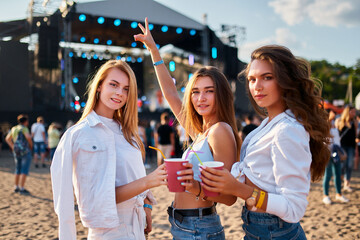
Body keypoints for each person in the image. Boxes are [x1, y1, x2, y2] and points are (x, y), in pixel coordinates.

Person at [200, 45, 331, 239]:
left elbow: (294, 208)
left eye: (267, 77)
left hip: (275, 231)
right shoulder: (269, 124)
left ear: (285, 81)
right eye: (252, 79)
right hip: (259, 227)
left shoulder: (287, 130)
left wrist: (237, 188)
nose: (257, 86)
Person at [135, 18, 241, 239]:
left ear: (220, 94)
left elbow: (230, 197)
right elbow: (171, 94)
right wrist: (154, 51)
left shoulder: (220, 131)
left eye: (208, 91)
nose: (200, 98)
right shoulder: (202, 131)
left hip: (199, 227)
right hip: (182, 223)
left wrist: (194, 187)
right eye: (195, 91)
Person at [50, 60, 168, 240]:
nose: (120, 93)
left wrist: (147, 206)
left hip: (138, 230)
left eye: (126, 89)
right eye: (113, 85)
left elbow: (133, 177)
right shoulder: (79, 135)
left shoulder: (129, 134)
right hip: (108, 233)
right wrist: (149, 181)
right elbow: (88, 199)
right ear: (98, 86)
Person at [322, 109, 349, 204]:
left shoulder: (335, 122)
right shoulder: (324, 124)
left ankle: (339, 194)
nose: (335, 114)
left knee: (338, 173)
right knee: (328, 174)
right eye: (332, 112)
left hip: (336, 152)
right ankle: (326, 195)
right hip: (327, 152)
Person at [5, 114, 33, 194]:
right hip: (25, 151)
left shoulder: (14, 128)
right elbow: (28, 138)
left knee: (18, 169)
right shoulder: (24, 128)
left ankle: (16, 187)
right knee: (24, 169)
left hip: (16, 151)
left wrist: (12, 146)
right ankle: (22, 188)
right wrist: (31, 146)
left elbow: (7, 139)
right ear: (25, 121)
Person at [336, 106, 357, 192]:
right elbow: (336, 134)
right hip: (342, 146)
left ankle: (346, 184)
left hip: (351, 146)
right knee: (343, 165)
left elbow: (355, 134)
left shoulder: (354, 122)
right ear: (347, 112)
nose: (354, 114)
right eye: (352, 112)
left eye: (354, 112)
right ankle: (340, 182)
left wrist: (356, 148)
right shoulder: (339, 121)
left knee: (350, 165)